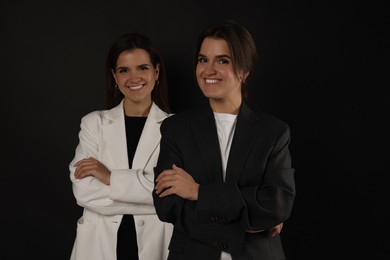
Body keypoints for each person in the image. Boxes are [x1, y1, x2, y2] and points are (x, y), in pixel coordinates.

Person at [153, 20, 295, 260]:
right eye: (203, 59)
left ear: (244, 71)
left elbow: (277, 205)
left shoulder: (274, 132)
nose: (209, 70)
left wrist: (198, 192)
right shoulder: (176, 128)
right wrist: (248, 217)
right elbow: (168, 206)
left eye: (222, 60)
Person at [69, 32, 173, 260]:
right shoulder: (93, 123)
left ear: (156, 73)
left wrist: (109, 178)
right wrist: (154, 199)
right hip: (98, 246)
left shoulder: (177, 128)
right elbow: (84, 192)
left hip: (155, 245)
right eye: (124, 70)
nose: (133, 77)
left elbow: (174, 195)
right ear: (114, 77)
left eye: (142, 68)